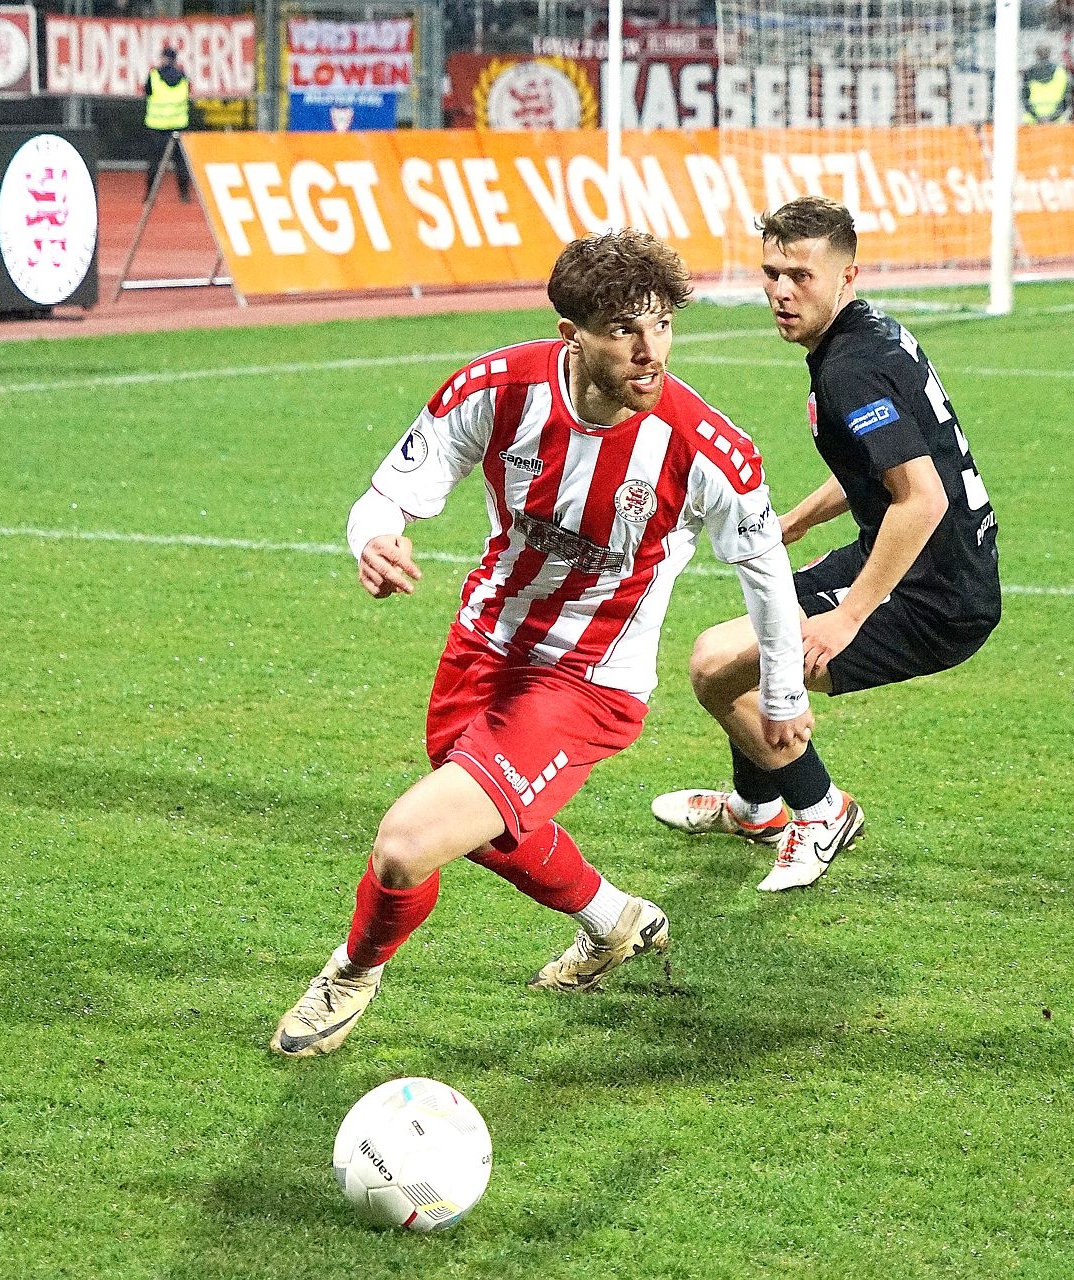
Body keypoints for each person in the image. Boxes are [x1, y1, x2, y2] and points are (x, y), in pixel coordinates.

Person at [272, 229, 813, 1059]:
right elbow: (387, 494)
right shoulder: (497, 389)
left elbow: (766, 571)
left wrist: (781, 692)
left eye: (663, 324)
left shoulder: (703, 445)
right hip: (484, 647)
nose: (650, 351)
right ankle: (614, 920)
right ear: (574, 335)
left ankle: (352, 972)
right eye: (624, 330)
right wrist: (373, 539)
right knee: (484, 826)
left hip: (590, 680)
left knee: (408, 843)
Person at [651, 196, 1001, 892]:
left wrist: (848, 617)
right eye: (772, 273)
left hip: (933, 594)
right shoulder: (869, 335)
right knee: (747, 642)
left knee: (715, 666)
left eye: (801, 276)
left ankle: (821, 810)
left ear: (847, 276)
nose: (782, 291)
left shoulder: (849, 371)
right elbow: (885, 464)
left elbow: (922, 498)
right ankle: (755, 810)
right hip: (913, 557)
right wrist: (800, 521)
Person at [144, 44, 192, 203]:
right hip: (178, 126)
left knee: (154, 163)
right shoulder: (184, 77)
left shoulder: (154, 76)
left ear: (164, 58)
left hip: (156, 126)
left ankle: (150, 196)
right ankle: (184, 195)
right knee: (181, 163)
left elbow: (147, 92)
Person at [1022, 43, 1072, 124]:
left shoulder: (1029, 73)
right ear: (1050, 53)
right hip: (1056, 124)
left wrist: (1038, 117)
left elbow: (1025, 99)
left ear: (1036, 54)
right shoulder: (1061, 72)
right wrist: (1052, 118)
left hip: (1033, 123)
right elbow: (1066, 100)